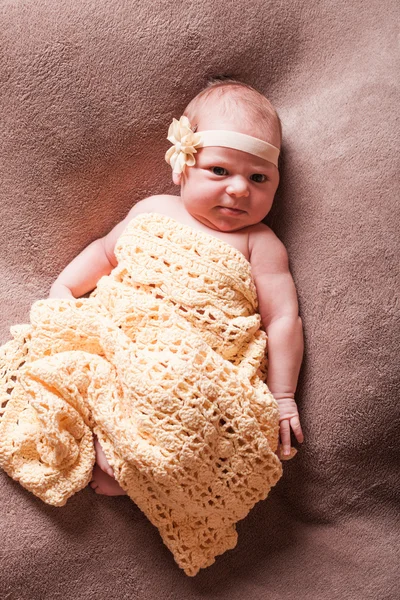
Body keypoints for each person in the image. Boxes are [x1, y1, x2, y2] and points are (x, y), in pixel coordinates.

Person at [49, 78, 305, 496]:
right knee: (78, 366)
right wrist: (65, 289)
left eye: (259, 178)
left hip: (197, 358)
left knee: (197, 407)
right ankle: (107, 443)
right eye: (219, 171)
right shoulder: (152, 210)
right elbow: (105, 254)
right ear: (182, 166)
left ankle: (135, 464)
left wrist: (282, 395)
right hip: (130, 334)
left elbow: (282, 319)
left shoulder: (260, 243)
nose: (239, 188)